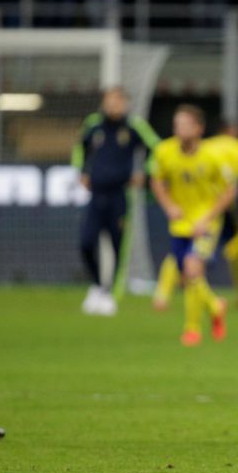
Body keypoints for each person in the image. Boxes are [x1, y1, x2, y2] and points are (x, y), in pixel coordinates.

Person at [150, 105, 237, 346]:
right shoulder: (164, 151)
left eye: (186, 124)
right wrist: (168, 206)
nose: (180, 129)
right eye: (177, 124)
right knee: (188, 275)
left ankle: (192, 329)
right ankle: (215, 305)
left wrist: (207, 219)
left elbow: (230, 190)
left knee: (192, 269)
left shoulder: (212, 155)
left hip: (205, 223)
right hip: (179, 224)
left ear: (199, 128)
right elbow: (156, 181)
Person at [72, 87, 160, 315]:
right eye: (109, 101)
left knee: (118, 245)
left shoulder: (133, 126)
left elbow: (157, 149)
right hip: (96, 194)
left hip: (121, 196)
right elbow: (79, 148)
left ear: (125, 104)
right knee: (86, 242)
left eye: (117, 101)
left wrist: (146, 173)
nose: (113, 106)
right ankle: (97, 286)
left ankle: (111, 294)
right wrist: (82, 171)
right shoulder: (94, 124)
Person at [153, 122, 238, 311]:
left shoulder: (206, 147)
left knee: (181, 257)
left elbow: (158, 179)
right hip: (225, 209)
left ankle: (163, 295)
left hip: (200, 212)